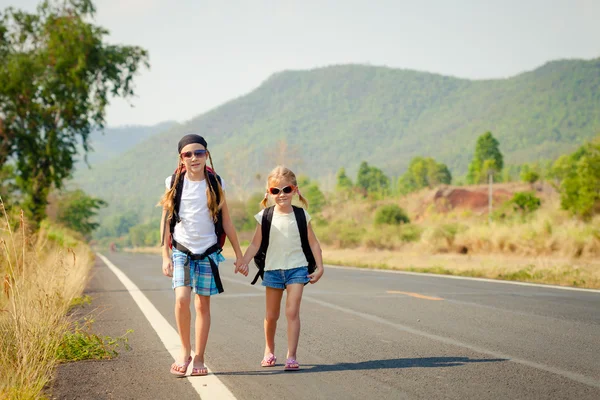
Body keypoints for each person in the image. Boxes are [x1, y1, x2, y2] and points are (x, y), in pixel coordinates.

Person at [158, 133, 248, 377]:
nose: (194, 157)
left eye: (199, 153)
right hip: (181, 250)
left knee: (202, 305)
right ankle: (184, 350)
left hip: (208, 252)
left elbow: (226, 220)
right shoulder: (174, 182)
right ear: (181, 158)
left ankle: (199, 357)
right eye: (188, 154)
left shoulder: (215, 182)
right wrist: (165, 255)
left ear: (206, 155)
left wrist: (239, 255)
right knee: (181, 299)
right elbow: (166, 220)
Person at [239, 165, 324, 371]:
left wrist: (320, 267)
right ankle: (269, 350)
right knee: (271, 315)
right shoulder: (265, 216)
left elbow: (313, 243)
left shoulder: (302, 215)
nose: (281, 194)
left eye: (286, 189)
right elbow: (254, 244)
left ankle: (291, 356)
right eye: (275, 191)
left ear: (295, 190)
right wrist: (244, 260)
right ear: (269, 193)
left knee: (292, 312)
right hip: (272, 270)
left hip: (297, 269)